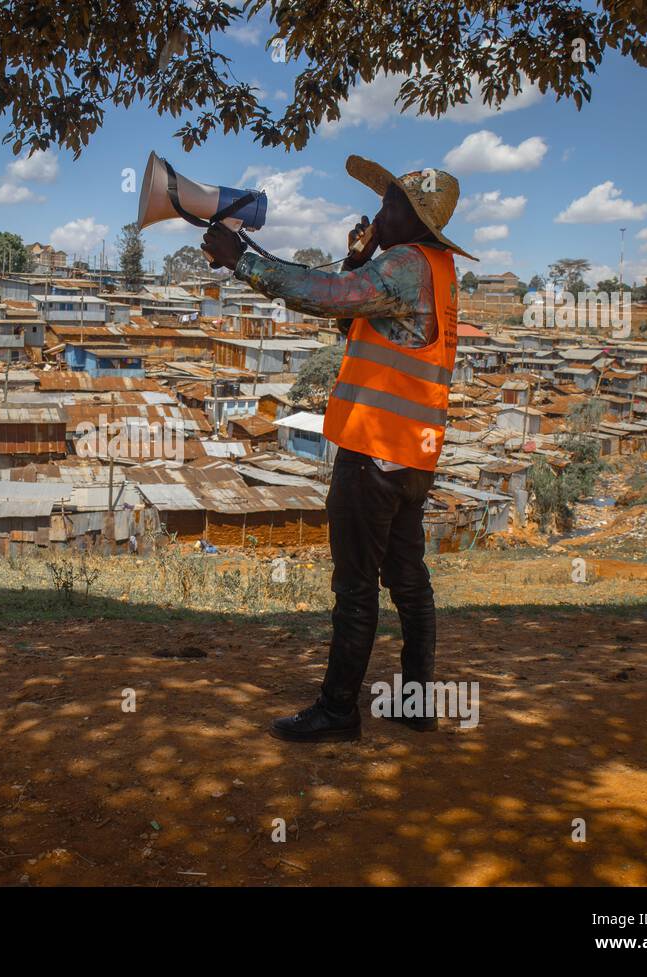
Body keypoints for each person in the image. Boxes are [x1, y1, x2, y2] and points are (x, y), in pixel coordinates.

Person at [202, 155, 474, 743]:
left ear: (415, 221)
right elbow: (358, 320)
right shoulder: (437, 268)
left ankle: (338, 710)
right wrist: (357, 260)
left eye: (392, 205)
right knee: (407, 579)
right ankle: (416, 703)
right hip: (412, 457)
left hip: (373, 452)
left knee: (355, 585)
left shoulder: (404, 263)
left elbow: (323, 295)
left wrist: (241, 260)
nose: (379, 211)